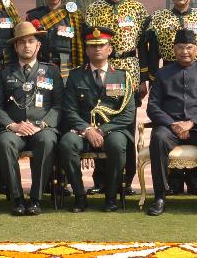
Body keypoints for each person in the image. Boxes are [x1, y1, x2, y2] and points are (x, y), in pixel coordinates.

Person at [141, 0, 197, 196]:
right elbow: (150, 50)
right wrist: (150, 76)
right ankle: (170, 185)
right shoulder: (158, 18)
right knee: (164, 131)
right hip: (168, 72)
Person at [83, 0, 149, 194]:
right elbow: (87, 44)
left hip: (129, 71)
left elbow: (144, 46)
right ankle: (101, 179)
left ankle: (126, 179)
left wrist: (144, 78)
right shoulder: (94, 9)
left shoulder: (137, 9)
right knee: (99, 121)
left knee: (125, 126)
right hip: (101, 71)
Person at [57, 26, 137, 212]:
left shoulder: (123, 76)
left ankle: (111, 196)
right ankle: (79, 196)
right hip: (82, 131)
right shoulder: (76, 76)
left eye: (102, 45)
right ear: (86, 50)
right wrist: (87, 130)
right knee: (67, 143)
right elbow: (69, 110)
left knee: (117, 144)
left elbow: (128, 114)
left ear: (110, 49)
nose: (97, 49)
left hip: (112, 130)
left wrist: (101, 130)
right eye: (92, 46)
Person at [145, 28, 197, 217]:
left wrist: (191, 123)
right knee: (158, 138)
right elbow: (152, 107)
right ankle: (160, 196)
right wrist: (173, 124)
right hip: (169, 127)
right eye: (180, 47)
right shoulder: (162, 74)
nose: (184, 52)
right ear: (174, 49)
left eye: (189, 47)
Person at [0, 21, 63, 216]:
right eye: (22, 42)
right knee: (4, 143)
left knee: (47, 141)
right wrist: (13, 126)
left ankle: (35, 199)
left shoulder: (51, 71)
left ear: (38, 45)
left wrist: (41, 124)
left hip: (42, 128)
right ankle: (17, 198)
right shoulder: (5, 72)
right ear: (16, 47)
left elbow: (59, 106)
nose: (26, 45)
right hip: (14, 129)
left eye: (31, 41)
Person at [26, 0, 84, 78]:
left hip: (67, 72)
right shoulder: (33, 17)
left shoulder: (73, 16)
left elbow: (82, 46)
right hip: (41, 70)